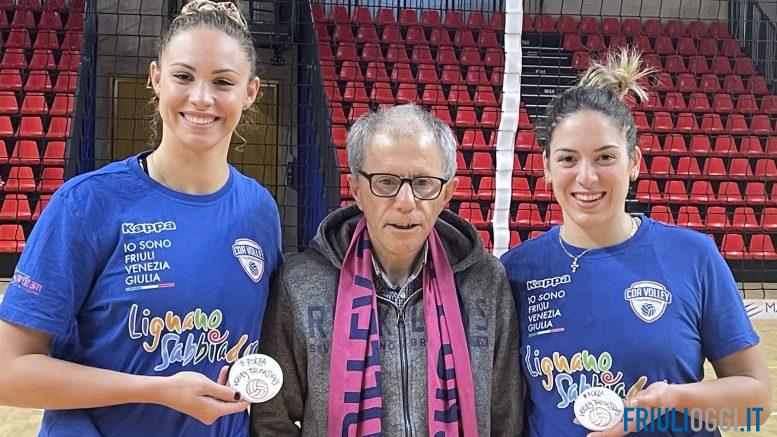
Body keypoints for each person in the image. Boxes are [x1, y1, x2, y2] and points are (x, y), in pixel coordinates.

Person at [0, 1, 282, 435]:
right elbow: (9, 372)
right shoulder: (86, 204)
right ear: (156, 78)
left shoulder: (260, 210)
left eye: (223, 81)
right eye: (183, 76)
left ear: (251, 92)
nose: (201, 97)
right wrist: (157, 390)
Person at [500, 48, 772, 436]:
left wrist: (672, 399)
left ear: (634, 162)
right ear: (546, 168)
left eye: (605, 157)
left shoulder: (693, 256)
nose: (586, 177)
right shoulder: (515, 271)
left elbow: (755, 408)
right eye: (568, 159)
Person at [250, 103, 522, 436]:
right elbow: (273, 420)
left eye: (423, 183)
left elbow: (506, 419)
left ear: (446, 193)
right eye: (385, 182)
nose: (405, 202)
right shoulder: (300, 283)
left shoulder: (486, 282)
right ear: (356, 190)